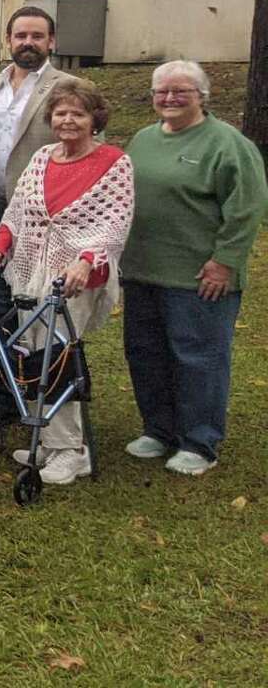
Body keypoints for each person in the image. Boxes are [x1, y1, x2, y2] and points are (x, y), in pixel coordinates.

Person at [0, 81, 135, 486]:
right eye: (60, 113)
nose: (67, 120)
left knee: (58, 355)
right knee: (33, 353)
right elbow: (16, 212)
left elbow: (114, 225)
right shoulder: (44, 157)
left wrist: (85, 260)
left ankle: (70, 451)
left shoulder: (114, 162)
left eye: (77, 113)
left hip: (78, 276)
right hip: (32, 270)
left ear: (94, 119)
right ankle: (48, 438)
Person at [119, 60, 268, 477]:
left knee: (198, 356)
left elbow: (247, 208)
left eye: (180, 90)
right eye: (161, 91)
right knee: (146, 353)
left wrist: (225, 262)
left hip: (199, 276)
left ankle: (199, 441)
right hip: (143, 270)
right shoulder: (143, 140)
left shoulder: (227, 144)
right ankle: (159, 429)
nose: (169, 98)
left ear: (202, 95)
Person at [0, 6, 82, 426]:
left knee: (44, 307)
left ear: (51, 42)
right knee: (0, 307)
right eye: (20, 35)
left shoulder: (71, 87)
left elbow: (84, 151)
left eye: (37, 36)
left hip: (47, 220)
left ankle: (48, 401)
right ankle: (6, 398)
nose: (28, 43)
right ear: (8, 40)